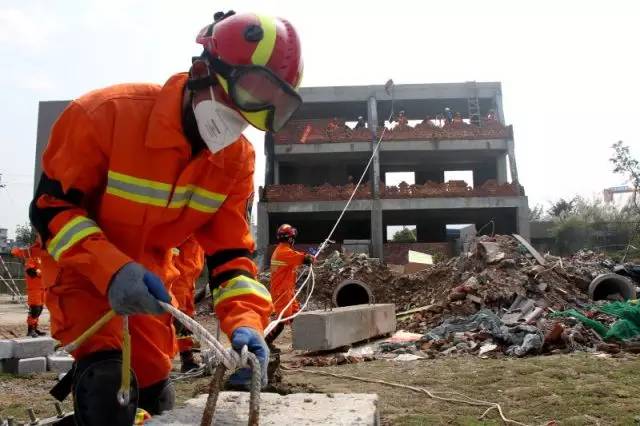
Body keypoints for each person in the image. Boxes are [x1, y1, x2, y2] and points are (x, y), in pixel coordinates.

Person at [29, 11, 302, 425]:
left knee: (155, 392)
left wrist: (246, 323)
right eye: (249, 92)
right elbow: (50, 211)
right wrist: (112, 269)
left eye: (268, 105)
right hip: (83, 276)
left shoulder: (235, 162)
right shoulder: (105, 115)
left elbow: (231, 259)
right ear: (202, 70)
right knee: (109, 387)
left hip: (152, 287)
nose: (244, 117)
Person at [265, 224, 313, 351]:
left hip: (287, 291)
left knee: (296, 316)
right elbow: (303, 258)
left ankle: (306, 343)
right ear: (290, 238)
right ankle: (264, 343)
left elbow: (296, 256)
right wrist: (309, 258)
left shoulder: (283, 250)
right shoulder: (284, 252)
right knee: (280, 321)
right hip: (282, 292)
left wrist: (307, 258)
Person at [170, 237, 204, 373]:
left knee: (186, 319)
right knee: (176, 318)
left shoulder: (197, 227)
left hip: (189, 277)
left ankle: (187, 359)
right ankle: (163, 360)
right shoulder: (188, 221)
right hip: (179, 277)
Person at [11, 243, 46, 337]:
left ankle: (35, 328)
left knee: (40, 309)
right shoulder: (32, 258)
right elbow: (30, 272)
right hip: (34, 288)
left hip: (43, 288)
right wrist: (40, 273)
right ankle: (30, 330)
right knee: (35, 309)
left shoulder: (43, 258)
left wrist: (41, 272)